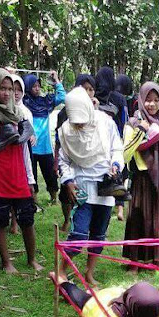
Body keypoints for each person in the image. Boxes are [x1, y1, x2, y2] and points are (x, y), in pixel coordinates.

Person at [0, 68, 43, 273]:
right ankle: (6, 262)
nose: (6, 93)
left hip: (19, 177)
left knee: (27, 220)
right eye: (2, 88)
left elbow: (25, 150)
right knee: (1, 221)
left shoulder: (19, 115)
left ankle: (32, 259)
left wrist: (31, 180)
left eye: (10, 89)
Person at [57, 86, 124, 285]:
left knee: (99, 234)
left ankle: (89, 273)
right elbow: (64, 161)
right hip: (82, 186)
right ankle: (61, 271)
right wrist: (68, 181)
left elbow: (117, 148)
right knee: (79, 233)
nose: (79, 125)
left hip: (105, 186)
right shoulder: (65, 131)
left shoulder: (106, 122)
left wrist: (115, 164)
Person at [122, 81, 159, 272]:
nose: (152, 104)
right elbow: (125, 154)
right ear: (141, 100)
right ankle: (134, 262)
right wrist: (141, 131)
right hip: (142, 178)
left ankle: (158, 260)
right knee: (139, 218)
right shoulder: (132, 123)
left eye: (156, 100)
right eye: (148, 100)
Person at [55, 74, 97, 232]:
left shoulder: (98, 114)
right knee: (66, 192)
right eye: (84, 89)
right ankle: (67, 219)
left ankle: (84, 224)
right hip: (69, 159)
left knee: (86, 195)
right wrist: (56, 162)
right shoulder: (64, 114)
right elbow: (59, 141)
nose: (87, 93)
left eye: (91, 89)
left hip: (89, 162)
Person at [23, 71, 66, 203]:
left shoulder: (45, 102)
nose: (37, 88)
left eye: (38, 86)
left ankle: (54, 199)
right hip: (30, 147)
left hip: (45, 147)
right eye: (34, 86)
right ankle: (34, 201)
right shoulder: (23, 103)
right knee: (32, 176)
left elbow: (62, 97)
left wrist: (56, 80)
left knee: (51, 176)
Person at [113, 73, 138, 222]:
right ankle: (119, 206)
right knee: (121, 172)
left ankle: (122, 203)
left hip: (129, 138)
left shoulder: (134, 101)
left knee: (126, 172)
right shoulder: (117, 98)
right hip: (120, 138)